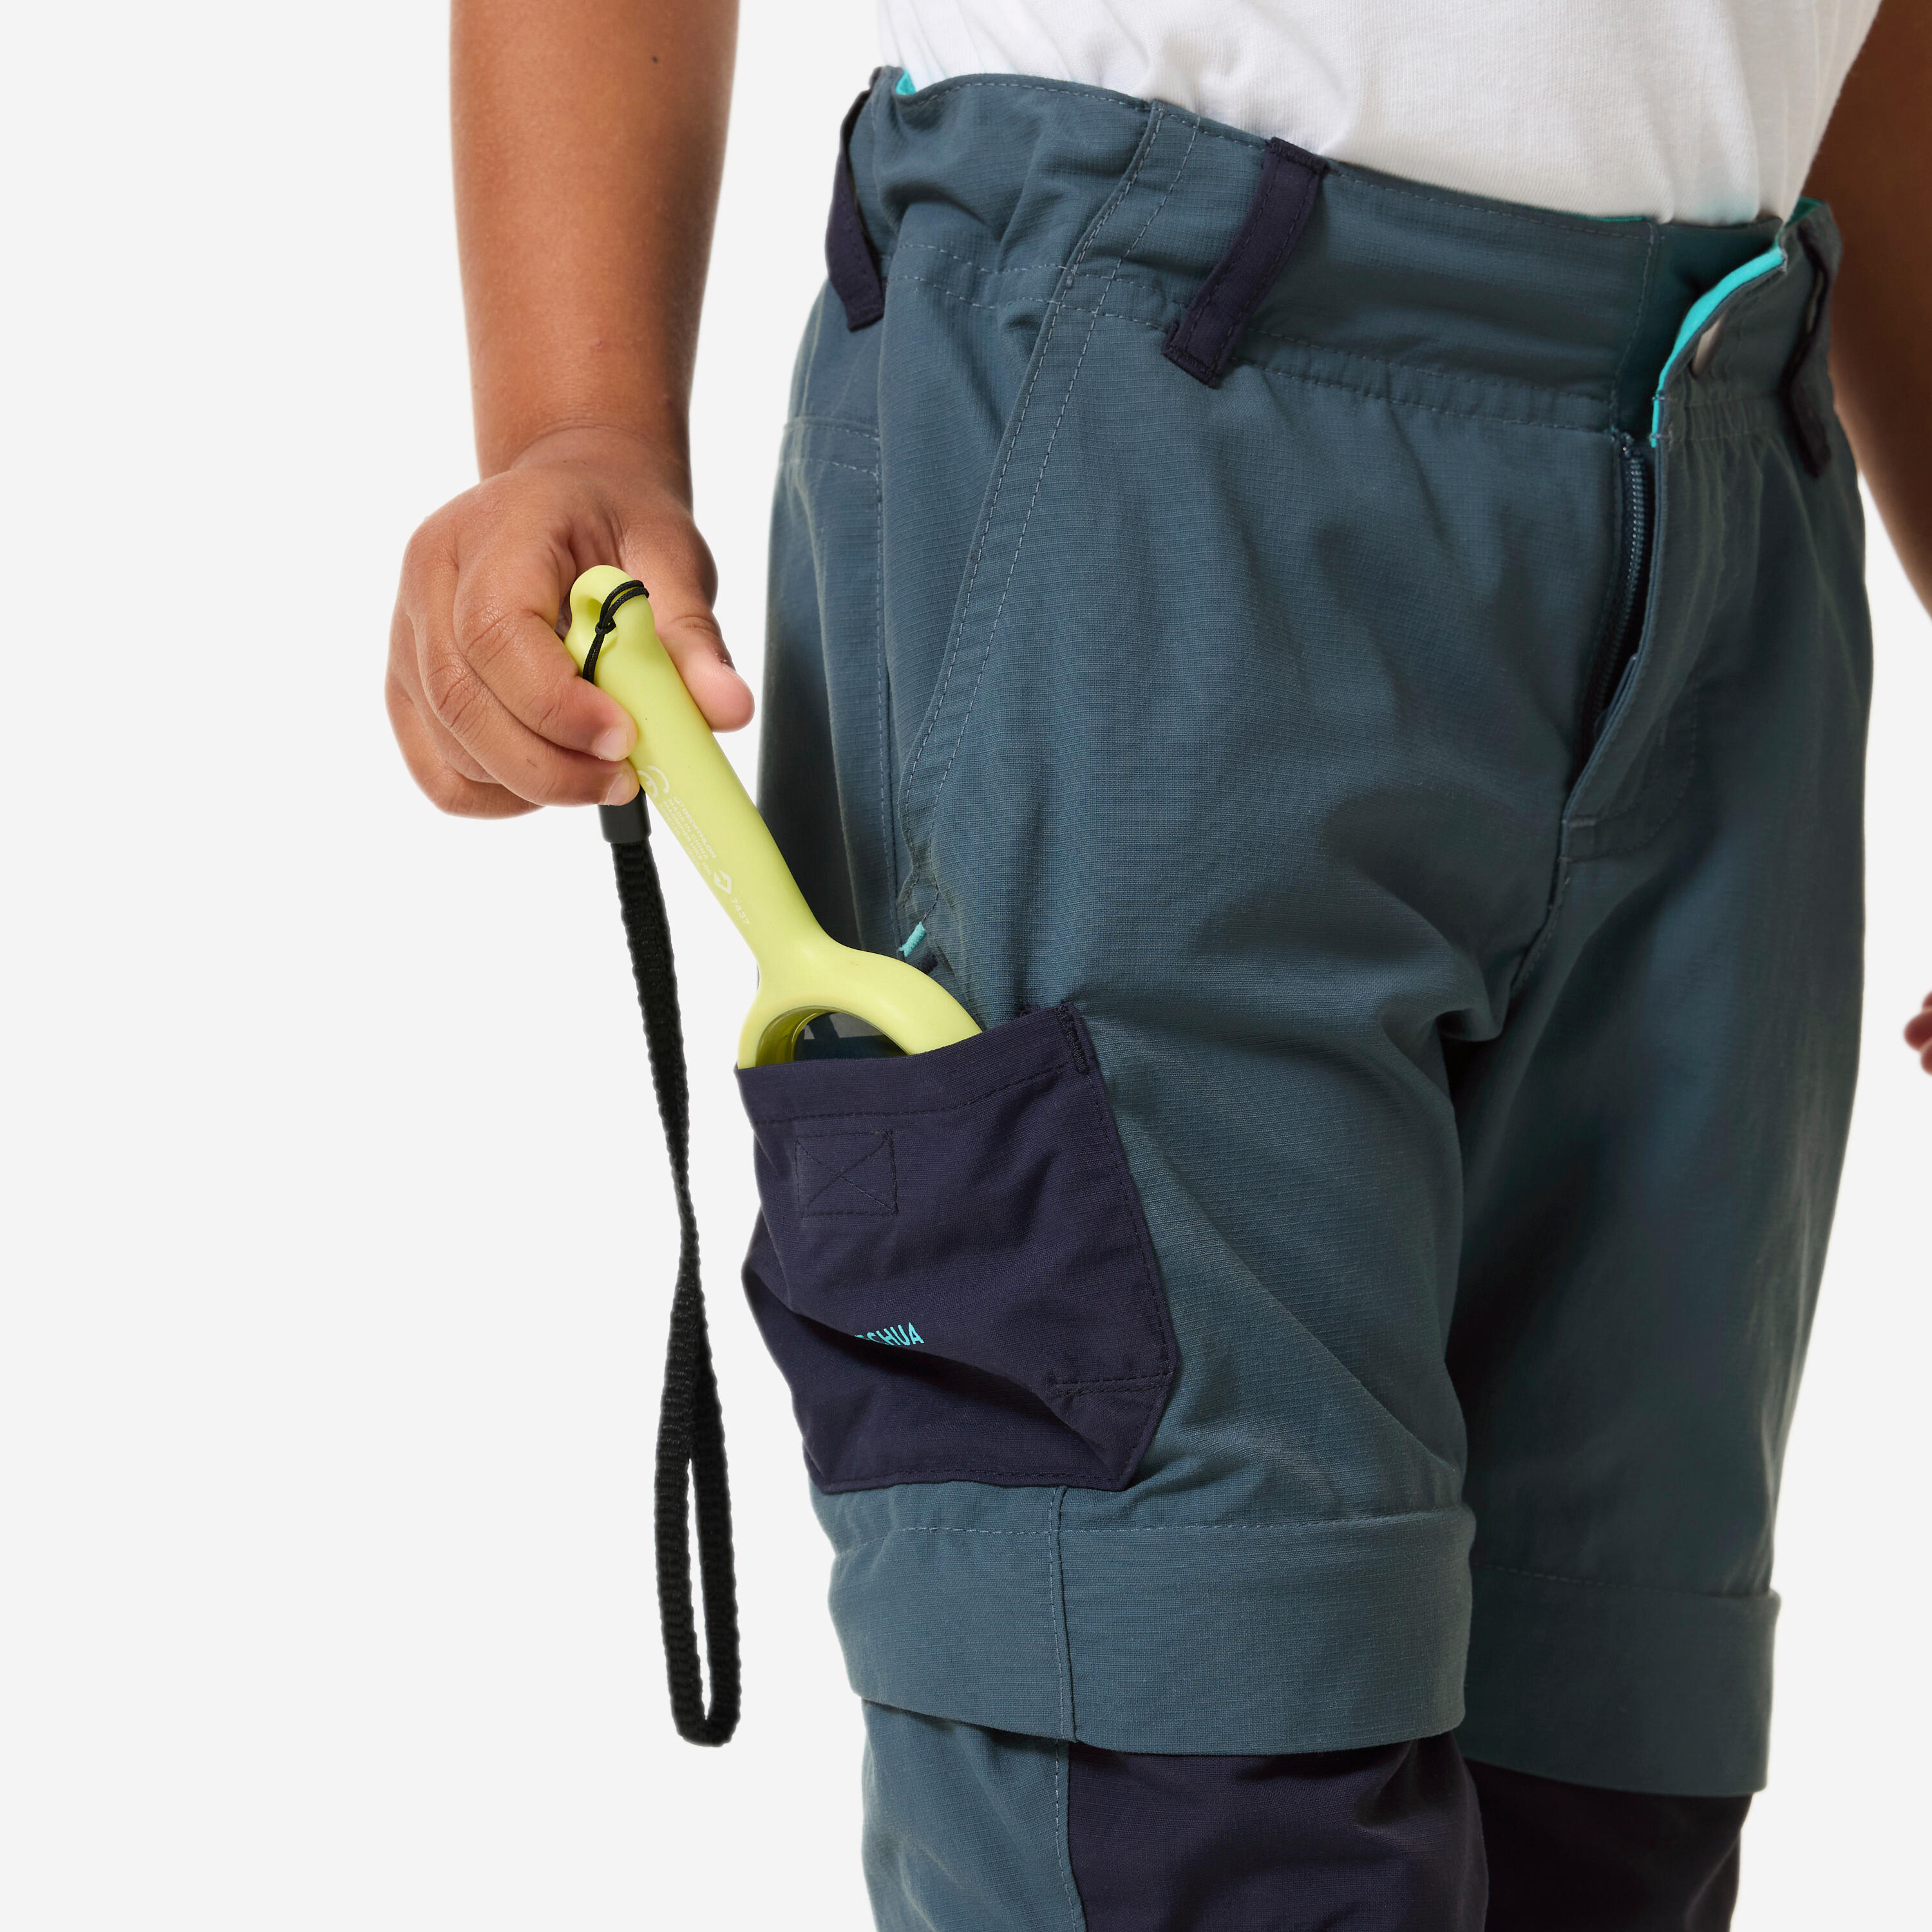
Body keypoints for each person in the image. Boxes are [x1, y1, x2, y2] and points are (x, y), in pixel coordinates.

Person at [386, 3, 1932, 1924]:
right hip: (1148, 455)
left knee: (1602, 1784)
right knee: (1195, 1764)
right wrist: (576, 419)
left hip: (1738, 472)